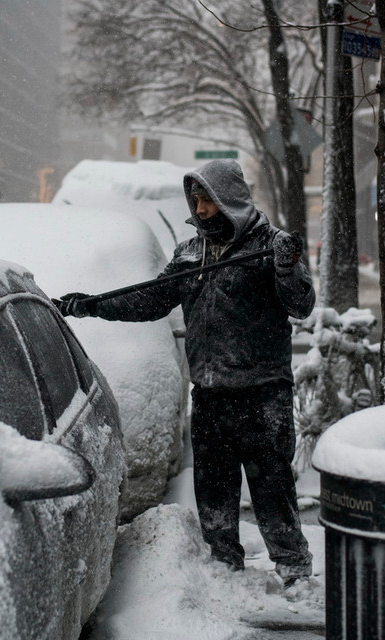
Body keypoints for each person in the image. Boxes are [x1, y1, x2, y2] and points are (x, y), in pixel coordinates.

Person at [54, 159, 314, 587]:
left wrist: (287, 268)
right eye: (195, 200)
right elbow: (151, 300)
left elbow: (301, 305)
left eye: (207, 199)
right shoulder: (191, 252)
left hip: (262, 392)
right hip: (210, 392)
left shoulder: (272, 245)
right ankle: (224, 566)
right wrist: (94, 305)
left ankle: (294, 569)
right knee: (214, 487)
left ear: (229, 199)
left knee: (273, 488)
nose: (200, 208)